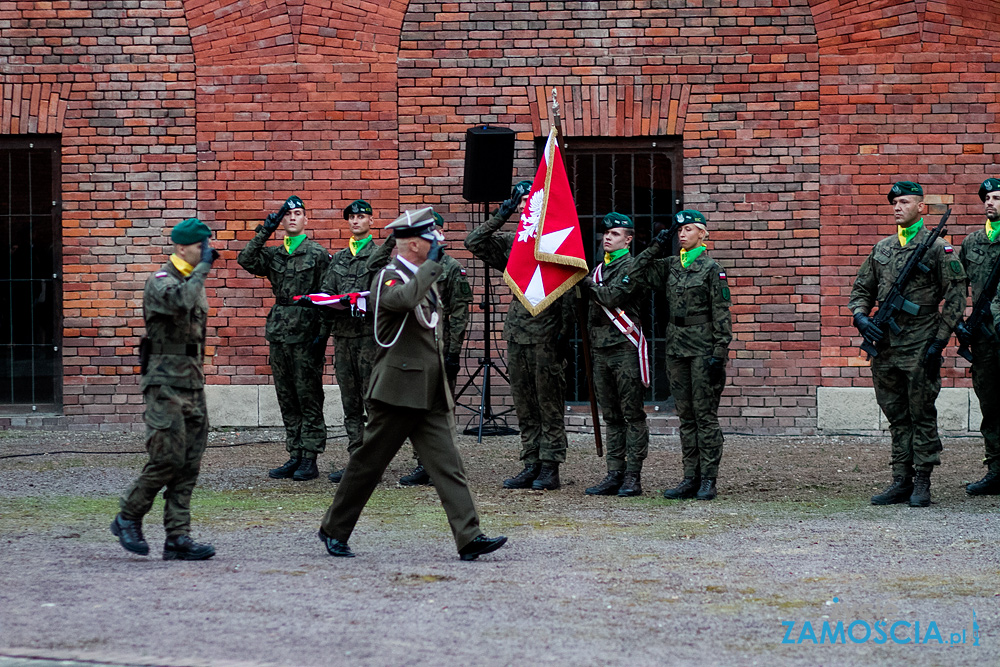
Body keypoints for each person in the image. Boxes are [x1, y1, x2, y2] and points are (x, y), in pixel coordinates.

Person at [316, 207, 507, 561]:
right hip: (397, 390)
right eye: (433, 237)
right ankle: (334, 528)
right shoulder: (389, 276)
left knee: (448, 465)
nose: (440, 241)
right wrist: (432, 266)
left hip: (430, 389)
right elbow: (402, 301)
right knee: (368, 464)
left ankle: (469, 536)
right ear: (416, 244)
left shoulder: (423, 275)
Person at [849, 181, 966, 507]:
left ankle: (922, 481)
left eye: (905, 202)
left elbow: (955, 300)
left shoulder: (938, 249)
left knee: (921, 414)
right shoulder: (882, 249)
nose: (898, 207)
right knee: (896, 415)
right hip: (885, 347)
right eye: (895, 203)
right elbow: (860, 291)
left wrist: (938, 342)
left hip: (920, 344)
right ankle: (901, 479)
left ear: (920, 207)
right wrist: (861, 318)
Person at [110, 218, 218, 560]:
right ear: (181, 247)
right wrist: (202, 269)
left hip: (191, 382)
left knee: (188, 464)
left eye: (206, 246)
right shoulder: (161, 281)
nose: (205, 252)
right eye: (200, 246)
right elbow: (181, 303)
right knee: (166, 458)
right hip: (164, 384)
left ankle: (178, 537)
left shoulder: (192, 281)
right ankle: (128, 514)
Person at [465, 181, 575, 491]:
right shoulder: (516, 244)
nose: (528, 207)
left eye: (531, 201)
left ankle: (550, 466)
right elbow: (475, 241)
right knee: (524, 404)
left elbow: (569, 296)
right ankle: (531, 463)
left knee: (548, 405)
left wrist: (563, 336)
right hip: (517, 335)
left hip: (546, 337)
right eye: (523, 202)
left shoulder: (559, 246)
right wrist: (503, 212)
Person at [628, 210, 732, 500]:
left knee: (705, 417)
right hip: (676, 347)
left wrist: (719, 353)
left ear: (702, 233)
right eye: (679, 230)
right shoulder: (671, 265)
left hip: (703, 348)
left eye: (688, 229)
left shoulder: (712, 269)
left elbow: (721, 314)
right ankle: (690, 477)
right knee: (686, 416)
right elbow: (634, 273)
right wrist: (656, 245)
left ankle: (708, 479)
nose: (682, 234)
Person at [367, 210, 474, 486]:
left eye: (435, 232)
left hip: (438, 345)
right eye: (427, 234)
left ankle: (437, 465)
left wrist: (453, 351)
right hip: (413, 348)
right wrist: (395, 240)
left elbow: (459, 312)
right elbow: (373, 268)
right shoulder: (399, 271)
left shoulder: (449, 267)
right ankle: (422, 464)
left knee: (435, 414)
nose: (434, 238)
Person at [237, 196, 331, 482]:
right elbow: (246, 259)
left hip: (306, 330)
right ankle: (294, 453)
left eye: (298, 213)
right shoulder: (274, 254)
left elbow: (327, 297)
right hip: (279, 330)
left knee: (308, 396)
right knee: (287, 396)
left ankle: (310, 457)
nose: (292, 217)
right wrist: (264, 230)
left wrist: (322, 336)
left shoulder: (317, 254)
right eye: (287, 214)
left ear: (306, 220)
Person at [320, 199, 397, 483]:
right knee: (349, 402)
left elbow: (388, 293)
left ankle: (373, 462)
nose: (356, 221)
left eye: (361, 217)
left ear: (371, 222)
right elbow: (327, 290)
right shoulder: (339, 258)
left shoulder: (380, 256)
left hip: (369, 338)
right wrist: (332, 303)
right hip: (343, 338)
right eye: (351, 217)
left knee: (372, 401)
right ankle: (356, 460)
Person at [580, 213, 650, 497]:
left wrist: (584, 283)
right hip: (600, 349)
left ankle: (633, 475)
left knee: (631, 414)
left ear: (629, 239)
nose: (607, 237)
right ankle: (614, 473)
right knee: (611, 415)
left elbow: (610, 297)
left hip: (624, 348)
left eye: (615, 234)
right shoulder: (598, 269)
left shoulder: (632, 266)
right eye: (605, 234)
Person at [956, 178, 1000, 495]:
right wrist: (958, 321)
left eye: (997, 197)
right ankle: (996, 471)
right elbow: (957, 285)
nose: (990, 203)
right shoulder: (972, 243)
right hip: (983, 339)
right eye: (986, 198)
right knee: (991, 404)